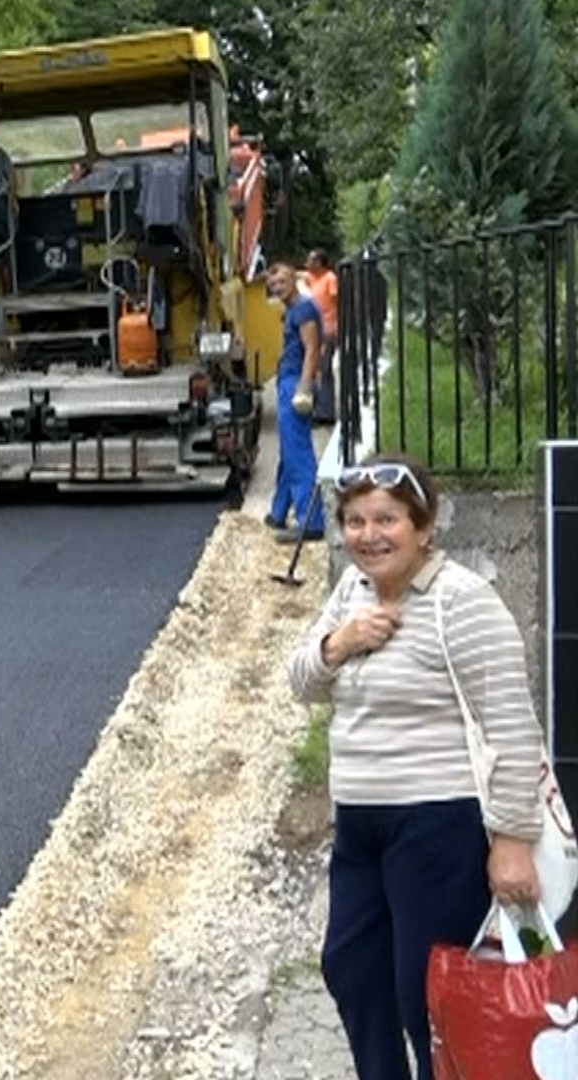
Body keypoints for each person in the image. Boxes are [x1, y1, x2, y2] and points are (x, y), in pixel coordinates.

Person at [287, 453, 546, 1080]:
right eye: (354, 521)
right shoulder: (353, 593)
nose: (368, 535)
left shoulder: (463, 601)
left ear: (424, 527)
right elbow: (301, 681)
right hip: (360, 823)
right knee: (350, 966)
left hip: (436, 823)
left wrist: (512, 840)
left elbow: (512, 723)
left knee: (423, 993)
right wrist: (341, 642)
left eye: (386, 520)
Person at [264, 260, 326, 540]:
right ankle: (278, 513)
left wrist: (304, 387)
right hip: (289, 380)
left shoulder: (302, 310)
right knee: (289, 451)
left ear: (294, 281)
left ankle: (311, 522)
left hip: (295, 383)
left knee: (297, 454)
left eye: (282, 283)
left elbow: (312, 349)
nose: (278, 288)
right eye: (273, 285)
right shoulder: (294, 309)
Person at [304, 250, 341, 426]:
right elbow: (296, 274)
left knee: (324, 370)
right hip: (315, 331)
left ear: (320, 262)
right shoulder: (312, 278)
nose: (307, 263)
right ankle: (320, 409)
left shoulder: (330, 279)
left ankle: (326, 412)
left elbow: (337, 302)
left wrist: (336, 327)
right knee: (316, 369)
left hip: (327, 329)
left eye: (311, 260)